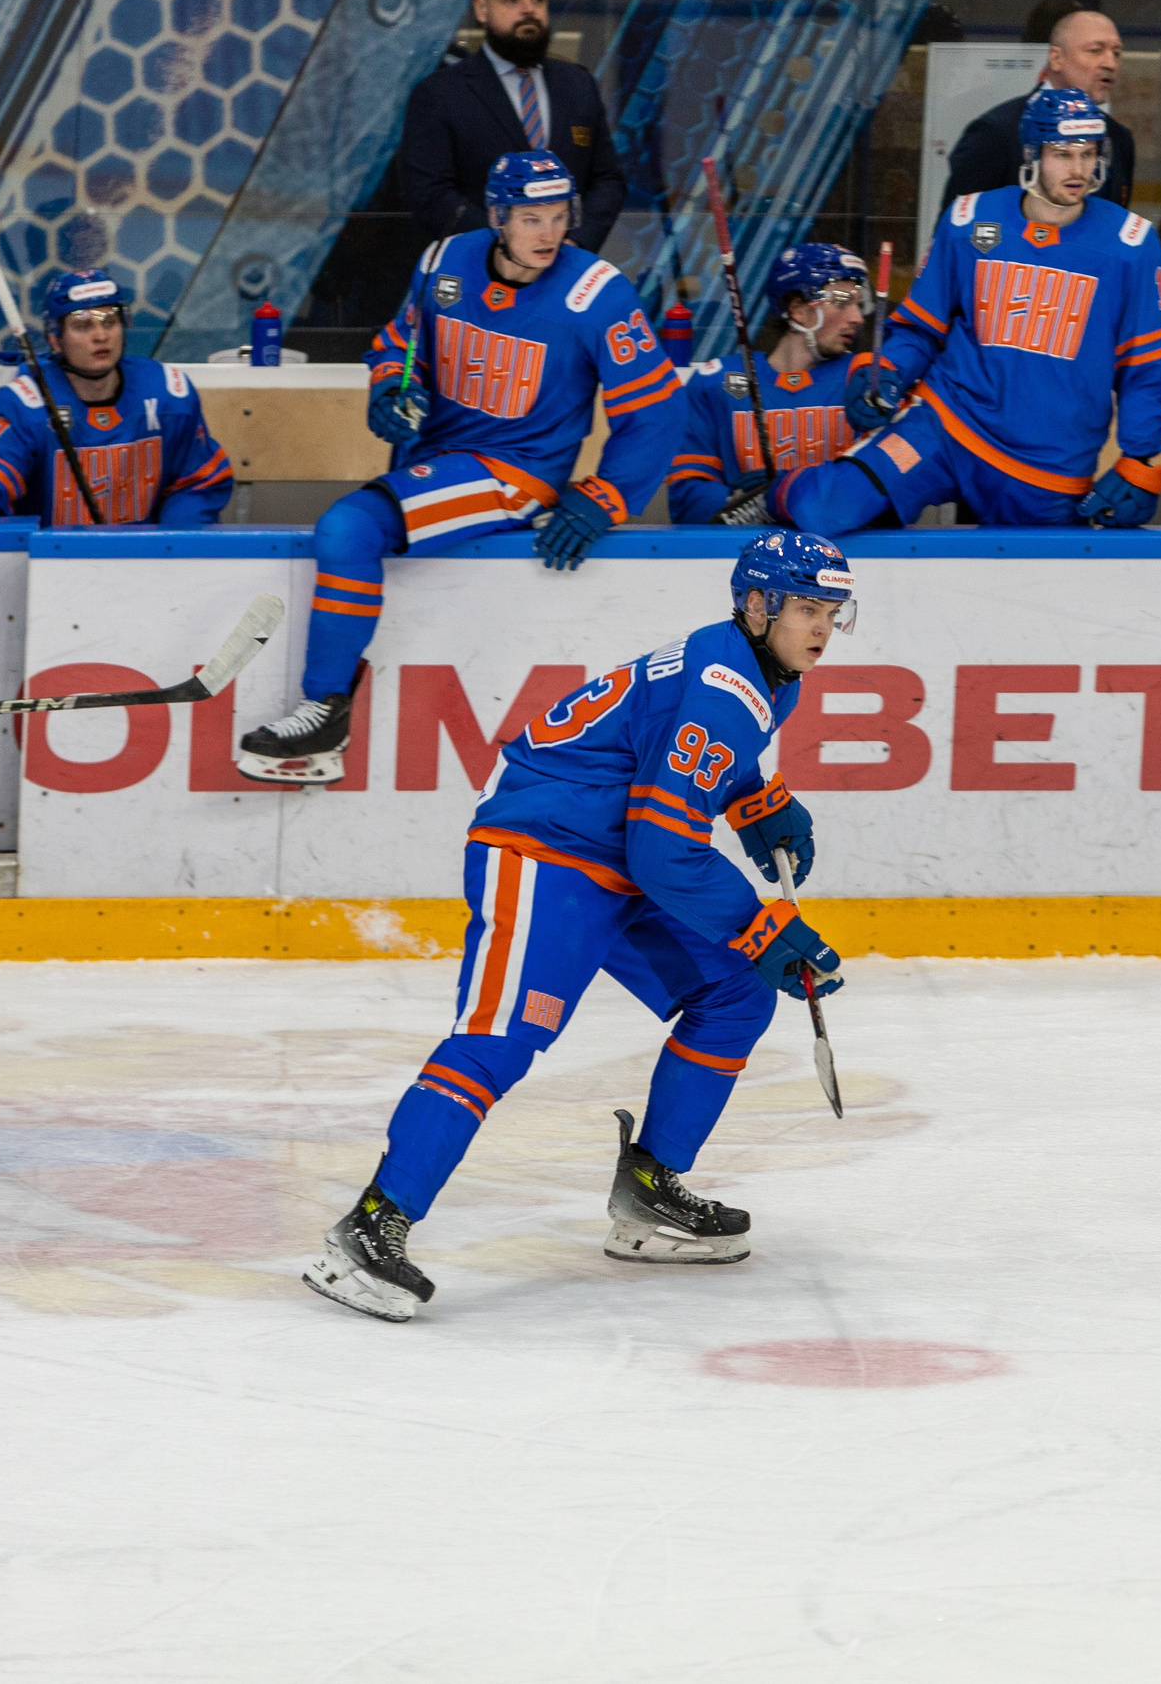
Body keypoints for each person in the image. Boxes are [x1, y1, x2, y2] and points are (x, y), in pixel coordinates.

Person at [299, 528, 853, 1322]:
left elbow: (694, 761)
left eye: (833, 612)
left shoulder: (764, 668)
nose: (822, 630)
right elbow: (665, 851)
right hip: (545, 846)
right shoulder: (722, 683)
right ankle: (372, 1223)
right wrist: (762, 928)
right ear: (757, 604)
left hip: (614, 844)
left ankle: (651, 1187)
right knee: (499, 1041)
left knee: (734, 994)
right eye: (806, 608)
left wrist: (758, 803)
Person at [235, 151, 684, 786]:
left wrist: (606, 496)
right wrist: (392, 391)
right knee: (352, 529)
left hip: (517, 474)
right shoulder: (443, 263)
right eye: (531, 218)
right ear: (499, 216)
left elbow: (659, 413)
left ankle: (324, 712)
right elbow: (400, 346)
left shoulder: (598, 295)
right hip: (438, 460)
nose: (549, 234)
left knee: (348, 529)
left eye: (560, 217)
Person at [776, 88, 1161, 534]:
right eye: (1062, 154)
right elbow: (918, 329)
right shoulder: (969, 220)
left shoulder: (1131, 246)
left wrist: (1138, 457)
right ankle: (768, 495)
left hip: (1048, 465)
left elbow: (1146, 367)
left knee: (1035, 597)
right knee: (827, 508)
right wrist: (883, 370)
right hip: (945, 427)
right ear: (1032, 154)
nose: (1078, 170)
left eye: (1088, 154)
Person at [0, 270, 235, 527]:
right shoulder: (24, 403)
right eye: (83, 325)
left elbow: (201, 480)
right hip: (53, 569)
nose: (101, 336)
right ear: (56, 338)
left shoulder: (169, 393)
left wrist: (171, 545)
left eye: (110, 321)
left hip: (144, 567)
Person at [398, 0, 623, 253]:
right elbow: (430, 194)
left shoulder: (578, 84)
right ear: (481, 9)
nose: (529, 9)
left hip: (568, 272)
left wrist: (574, 242)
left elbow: (608, 179)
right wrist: (511, 247)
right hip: (481, 275)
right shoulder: (439, 94)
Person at [665, 243, 882, 525]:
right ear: (798, 309)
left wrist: (785, 500)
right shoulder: (716, 382)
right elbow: (686, 496)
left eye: (858, 303)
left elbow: (890, 489)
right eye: (841, 301)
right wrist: (745, 504)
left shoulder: (865, 380)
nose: (856, 317)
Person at [939, 6, 1134, 213]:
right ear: (1057, 58)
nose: (1110, 63)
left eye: (1117, 53)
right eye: (1095, 51)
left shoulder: (1119, 138)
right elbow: (958, 231)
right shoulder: (997, 132)